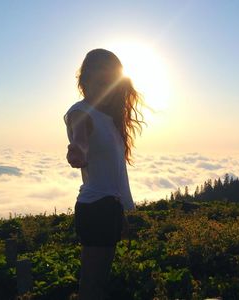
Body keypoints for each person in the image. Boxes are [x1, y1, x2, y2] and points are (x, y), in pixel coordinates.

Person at [64, 48, 145, 300]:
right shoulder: (81, 112)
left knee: (99, 282)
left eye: (109, 82)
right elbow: (80, 136)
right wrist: (78, 150)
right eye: (98, 81)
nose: (103, 88)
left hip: (109, 207)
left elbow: (115, 174)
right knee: (92, 284)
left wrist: (122, 213)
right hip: (96, 208)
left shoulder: (109, 119)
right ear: (84, 81)